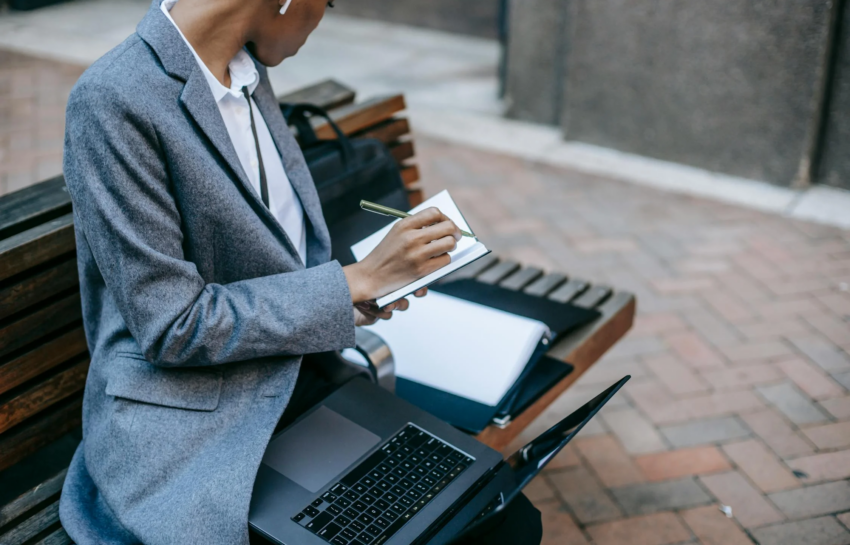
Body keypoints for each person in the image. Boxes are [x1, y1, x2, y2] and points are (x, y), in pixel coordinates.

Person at [57, 0, 542, 544]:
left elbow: (279, 260)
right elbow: (172, 326)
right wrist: (350, 282)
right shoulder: (113, 100)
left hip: (294, 380)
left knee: (490, 509)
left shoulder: (245, 73)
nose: (323, 17)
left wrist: (348, 300)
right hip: (193, 427)